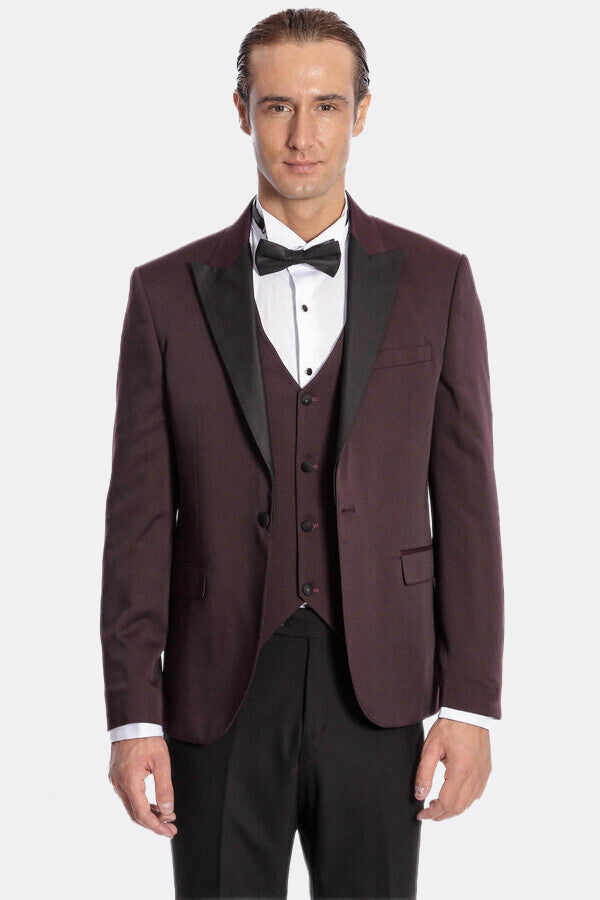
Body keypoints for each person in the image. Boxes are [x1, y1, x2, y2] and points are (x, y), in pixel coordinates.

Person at [100, 8, 504, 899]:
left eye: (326, 106)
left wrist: (470, 700)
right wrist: (132, 718)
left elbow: (468, 504)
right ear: (241, 111)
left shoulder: (437, 282)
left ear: (361, 112)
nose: (302, 136)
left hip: (383, 687)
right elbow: (137, 527)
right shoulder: (164, 295)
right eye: (278, 105)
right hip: (216, 693)